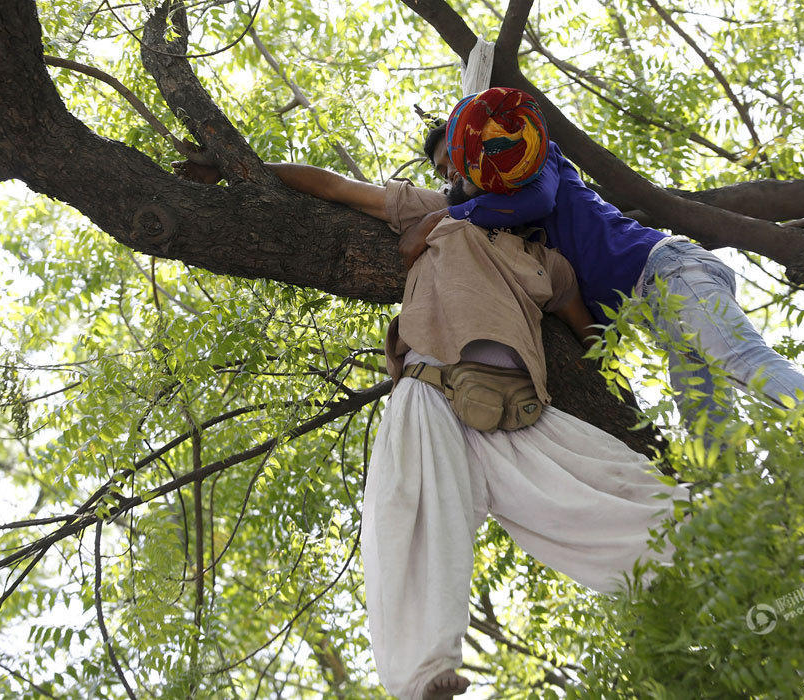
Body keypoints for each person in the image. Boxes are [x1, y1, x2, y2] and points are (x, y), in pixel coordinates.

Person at [175, 155, 691, 699]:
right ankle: (426, 678)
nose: (451, 171)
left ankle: (716, 551)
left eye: (458, 159)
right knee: (406, 512)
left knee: (614, 486)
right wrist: (229, 164)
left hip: (514, 411)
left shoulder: (549, 261)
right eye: (447, 165)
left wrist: (618, 374)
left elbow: (594, 343)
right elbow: (333, 187)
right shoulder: (438, 211)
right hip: (431, 388)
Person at [408, 88, 804, 463]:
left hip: (669, 271)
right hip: (658, 310)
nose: (448, 177)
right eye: (441, 173)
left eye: (450, 162)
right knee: (707, 429)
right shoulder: (508, 227)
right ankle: (737, 514)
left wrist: (451, 214)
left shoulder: (540, 163)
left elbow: (539, 202)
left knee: (738, 357)